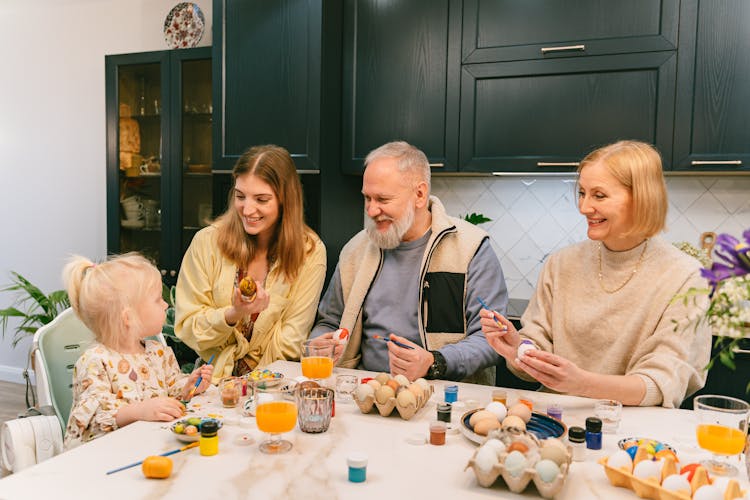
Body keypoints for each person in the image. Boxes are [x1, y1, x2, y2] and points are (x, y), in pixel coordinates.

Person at [480, 140, 711, 408]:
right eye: (582, 193)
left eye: (599, 196)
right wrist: (518, 348)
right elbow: (538, 346)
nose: (584, 207)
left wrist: (581, 383)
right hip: (554, 419)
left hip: (635, 433)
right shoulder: (560, 264)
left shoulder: (686, 277)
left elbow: (662, 383)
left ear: (642, 198)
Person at [311, 141, 507, 385]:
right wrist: (320, 343)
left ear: (420, 194)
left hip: (445, 394)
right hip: (366, 389)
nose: (371, 210)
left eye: (382, 199)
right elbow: (329, 321)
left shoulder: (471, 249)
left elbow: (492, 340)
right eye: (367, 198)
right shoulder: (355, 251)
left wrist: (434, 362)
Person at [175, 145, 326, 383]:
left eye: (261, 199)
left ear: (286, 200)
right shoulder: (206, 242)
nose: (247, 209)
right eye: (240, 196)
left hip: (274, 385)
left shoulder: (310, 252)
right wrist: (233, 314)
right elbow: (188, 326)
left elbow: (291, 339)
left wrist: (250, 384)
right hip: (210, 384)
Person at [63, 253, 213, 449]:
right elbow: (95, 419)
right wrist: (139, 411)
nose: (166, 305)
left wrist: (189, 386)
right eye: (158, 299)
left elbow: (171, 392)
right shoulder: (95, 361)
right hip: (105, 456)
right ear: (128, 318)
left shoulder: (158, 353)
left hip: (149, 445)